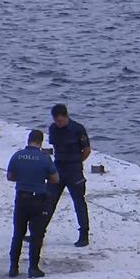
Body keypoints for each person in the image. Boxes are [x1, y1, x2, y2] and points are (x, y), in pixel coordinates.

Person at [7, 129, 59, 278]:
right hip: (38, 199)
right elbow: (55, 179)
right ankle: (33, 268)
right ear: (41, 142)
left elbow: (10, 176)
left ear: (28, 140)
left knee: (18, 233)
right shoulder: (44, 158)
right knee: (36, 235)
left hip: (21, 198)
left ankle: (13, 268)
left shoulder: (17, 156)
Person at [45, 104, 92, 247]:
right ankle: (39, 231)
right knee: (48, 200)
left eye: (61, 121)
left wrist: (77, 162)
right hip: (58, 167)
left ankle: (84, 234)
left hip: (73, 169)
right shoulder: (53, 129)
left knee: (79, 202)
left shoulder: (77, 129)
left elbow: (87, 150)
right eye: (56, 121)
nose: (58, 124)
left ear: (66, 117)